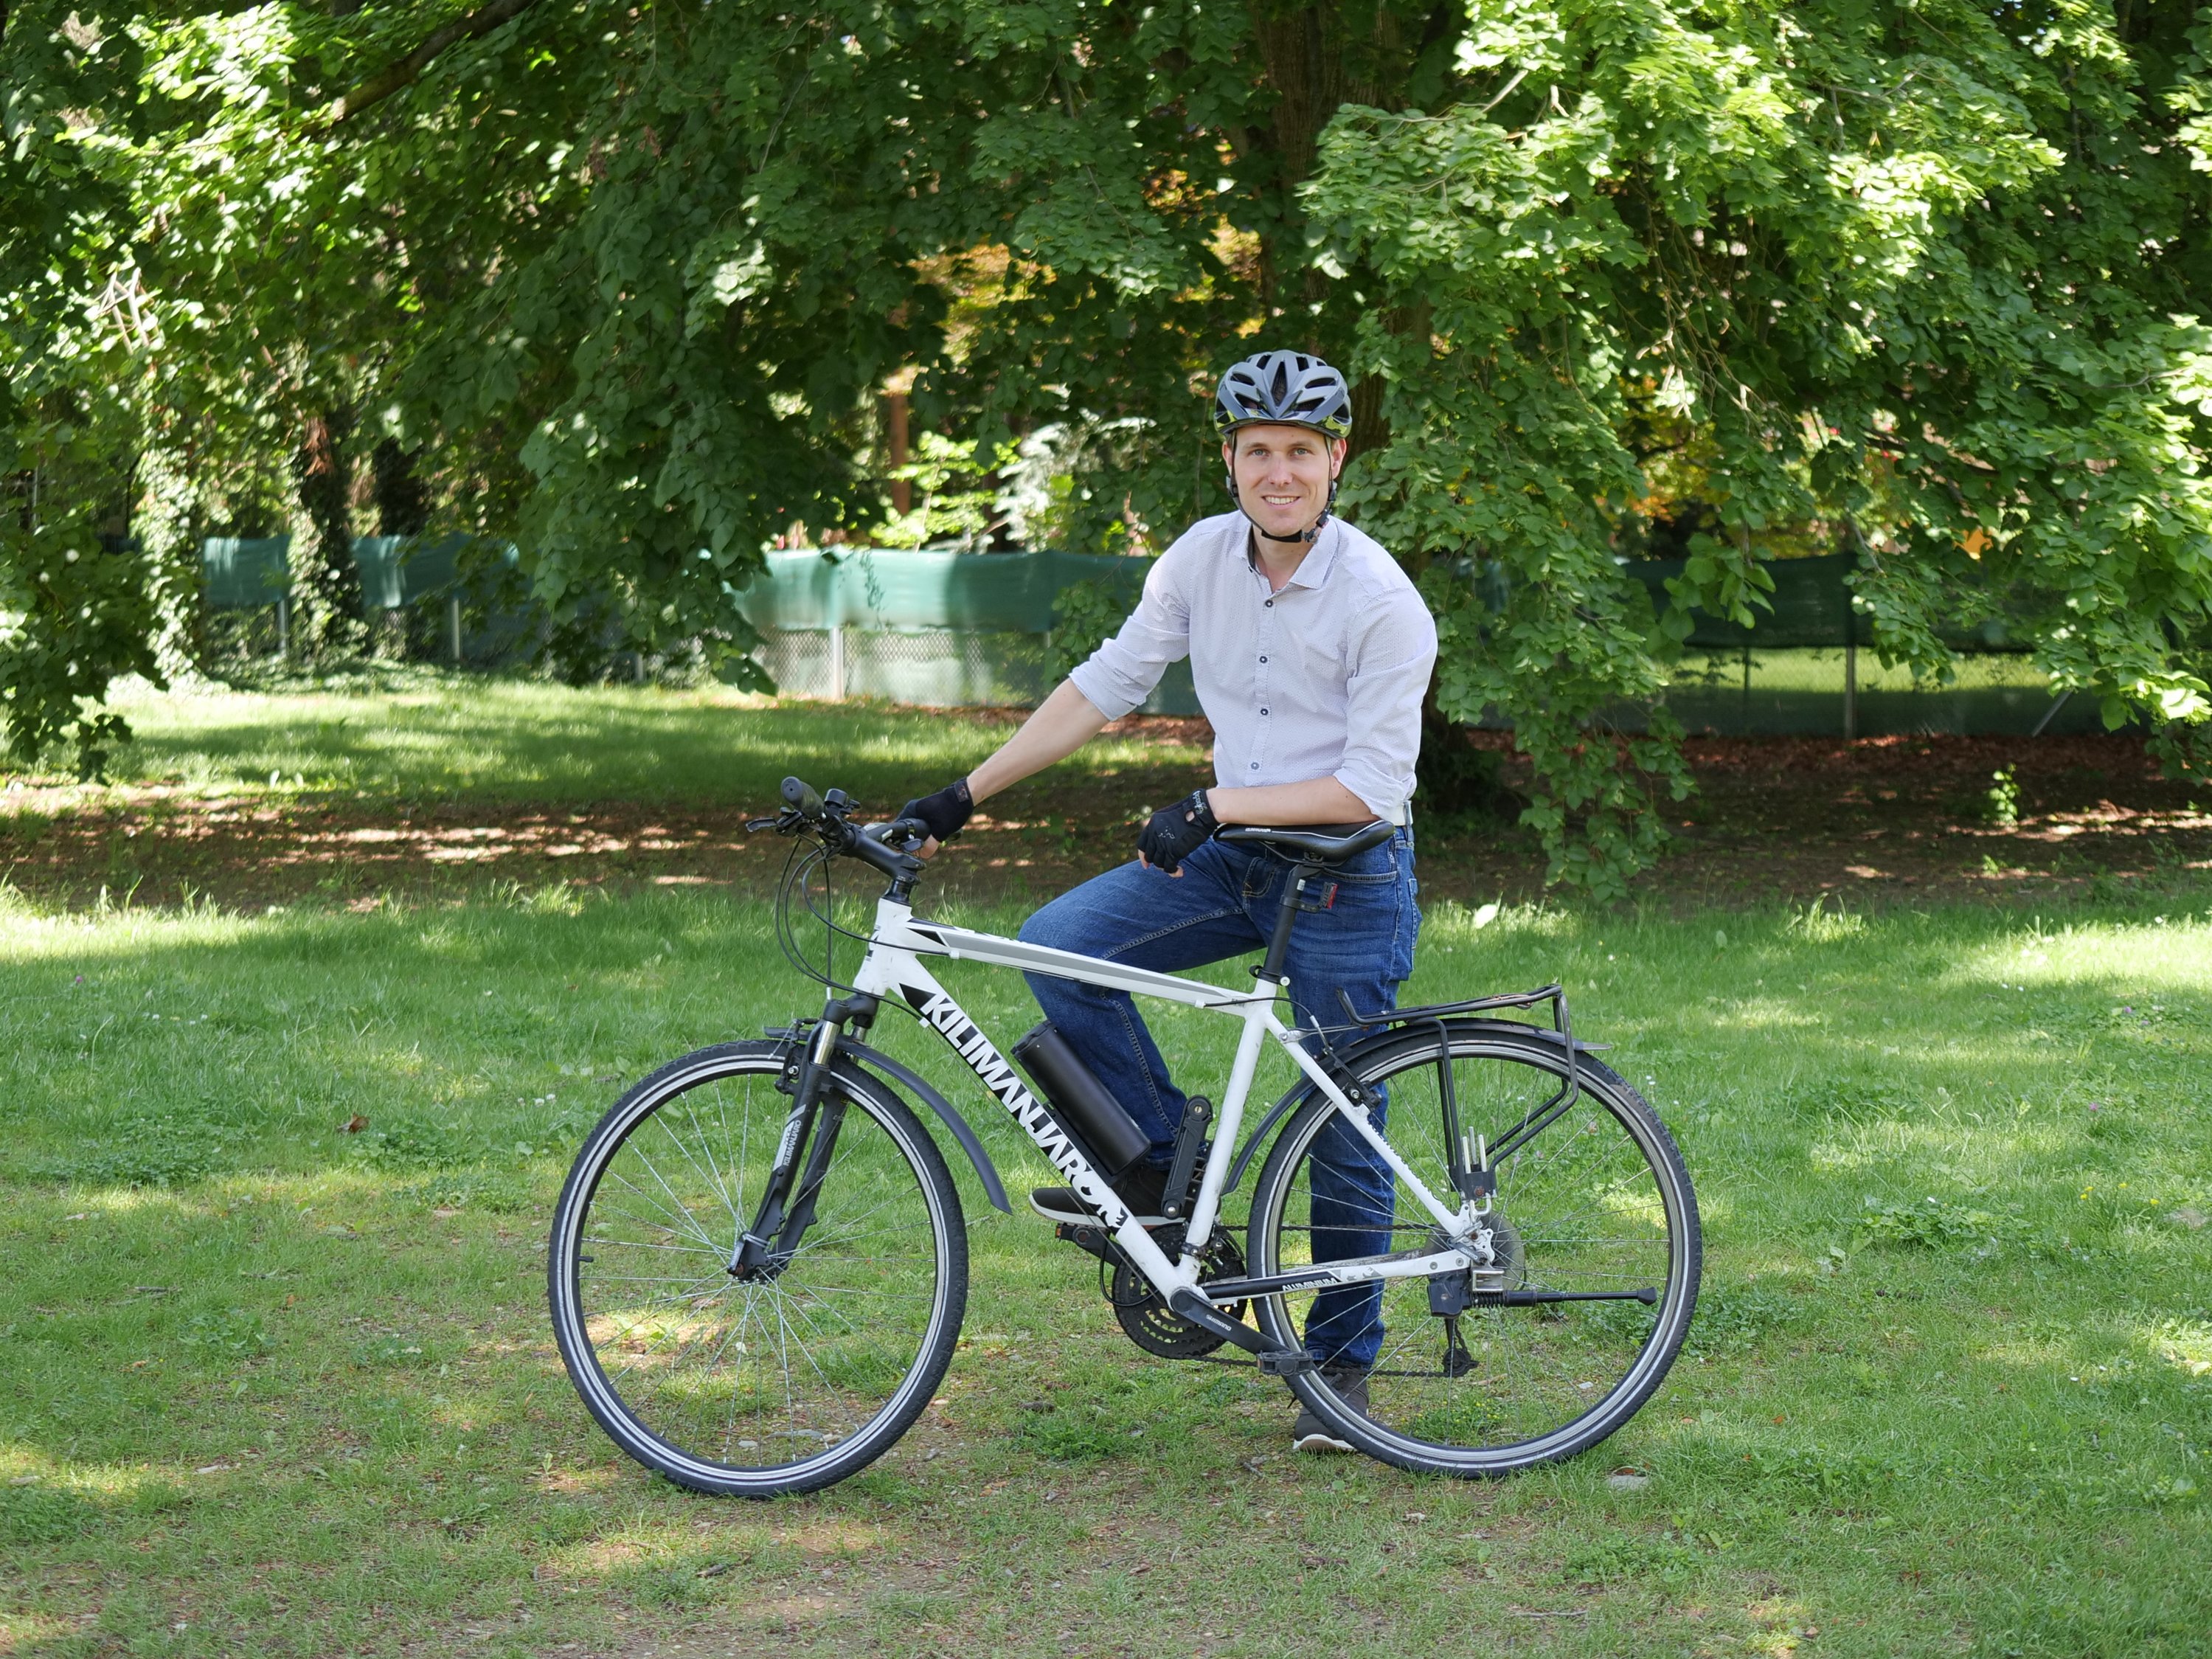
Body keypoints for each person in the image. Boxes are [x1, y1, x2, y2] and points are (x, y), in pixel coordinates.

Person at [899, 350, 1436, 1452]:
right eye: (1258, 452)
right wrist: (961, 796)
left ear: (1336, 461)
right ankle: (1161, 1178)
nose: (1278, 472)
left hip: (1349, 875)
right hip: (1240, 857)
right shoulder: (1201, 559)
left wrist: (1217, 799)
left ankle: (1339, 1371)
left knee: (1340, 1124)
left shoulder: (1383, 601)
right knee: (1059, 946)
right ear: (1230, 462)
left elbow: (1372, 786)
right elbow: (1106, 683)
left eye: (1300, 451)